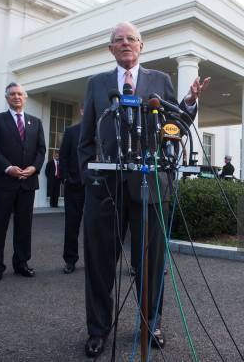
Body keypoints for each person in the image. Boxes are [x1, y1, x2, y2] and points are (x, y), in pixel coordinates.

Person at [78, 22, 210, 357]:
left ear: (142, 45)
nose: (125, 44)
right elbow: (86, 140)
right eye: (118, 40)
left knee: (150, 261)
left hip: (150, 185)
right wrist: (88, 177)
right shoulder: (96, 84)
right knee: (99, 263)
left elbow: (175, 123)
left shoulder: (160, 81)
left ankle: (152, 323)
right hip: (104, 187)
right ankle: (98, 330)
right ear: (110, 49)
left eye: (131, 39)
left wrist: (190, 101)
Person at [0, 82, 46, 282]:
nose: (16, 97)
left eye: (20, 94)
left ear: (25, 97)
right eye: (12, 94)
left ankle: (21, 263)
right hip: (3, 181)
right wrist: (8, 168)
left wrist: (34, 168)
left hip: (27, 182)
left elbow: (41, 150)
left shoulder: (35, 122)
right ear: (7, 98)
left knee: (24, 227)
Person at [58, 109, 85, 274]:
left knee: (95, 228)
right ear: (82, 110)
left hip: (96, 188)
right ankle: (70, 260)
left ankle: (95, 262)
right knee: (71, 226)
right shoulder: (71, 131)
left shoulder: (103, 130)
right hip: (73, 186)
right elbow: (63, 157)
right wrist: (67, 178)